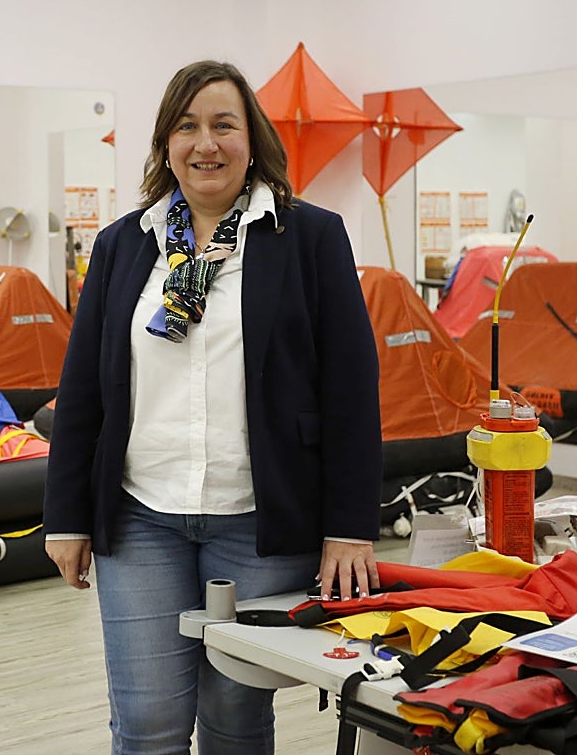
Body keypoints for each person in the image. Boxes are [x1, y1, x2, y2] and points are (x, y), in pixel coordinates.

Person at [43, 60, 383, 755]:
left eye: (224, 124)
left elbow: (351, 391)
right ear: (165, 144)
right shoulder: (122, 245)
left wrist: (350, 528)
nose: (207, 143)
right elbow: (82, 394)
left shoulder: (309, 238)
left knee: (237, 724)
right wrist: (67, 517)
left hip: (261, 526)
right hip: (141, 521)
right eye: (188, 126)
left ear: (251, 140)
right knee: (148, 727)